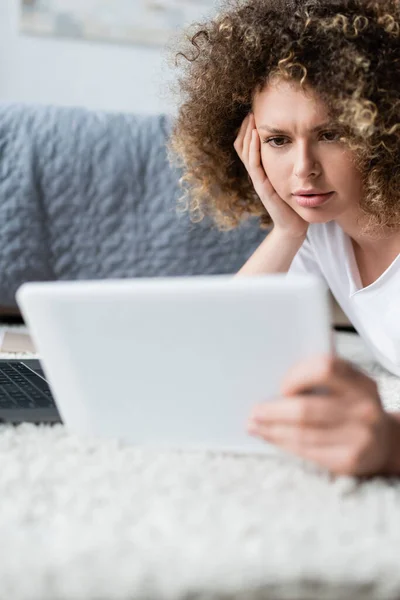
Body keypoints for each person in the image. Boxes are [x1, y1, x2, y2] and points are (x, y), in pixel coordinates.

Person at [167, 0, 400, 477]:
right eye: (277, 140)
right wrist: (288, 230)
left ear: (380, 130)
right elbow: (218, 343)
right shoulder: (320, 233)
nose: (303, 169)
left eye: (332, 133)